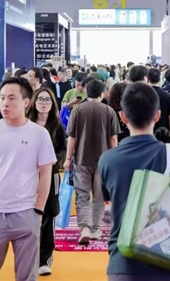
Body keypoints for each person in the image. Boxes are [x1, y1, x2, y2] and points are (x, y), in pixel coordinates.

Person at [98, 82, 170, 281]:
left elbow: (108, 207)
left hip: (123, 263)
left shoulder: (107, 160)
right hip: (168, 264)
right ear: (157, 115)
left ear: (122, 116)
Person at [0, 77, 57, 281]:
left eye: (11, 98)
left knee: (27, 276)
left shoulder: (39, 134)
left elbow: (46, 174)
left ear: (26, 102)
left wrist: (38, 210)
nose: (5, 103)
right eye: (2, 98)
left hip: (26, 212)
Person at [64, 79, 120, 244]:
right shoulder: (109, 111)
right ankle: (95, 229)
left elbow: (71, 137)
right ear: (102, 93)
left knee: (82, 196)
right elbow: (113, 139)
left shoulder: (78, 110)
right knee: (99, 197)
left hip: (81, 159)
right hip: (104, 161)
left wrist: (67, 159)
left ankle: (85, 228)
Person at [26, 88, 67, 276]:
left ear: (52, 104)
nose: (44, 103)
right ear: (34, 102)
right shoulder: (26, 124)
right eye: (40, 99)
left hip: (51, 175)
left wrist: (52, 160)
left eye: (47, 100)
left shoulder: (57, 126)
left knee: (49, 214)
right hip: (28, 176)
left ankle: (45, 260)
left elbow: (63, 149)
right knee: (28, 215)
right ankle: (30, 258)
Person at [148, 68, 170, 136]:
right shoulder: (166, 95)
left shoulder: (143, 94)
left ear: (148, 79)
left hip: (147, 131)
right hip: (163, 132)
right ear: (159, 79)